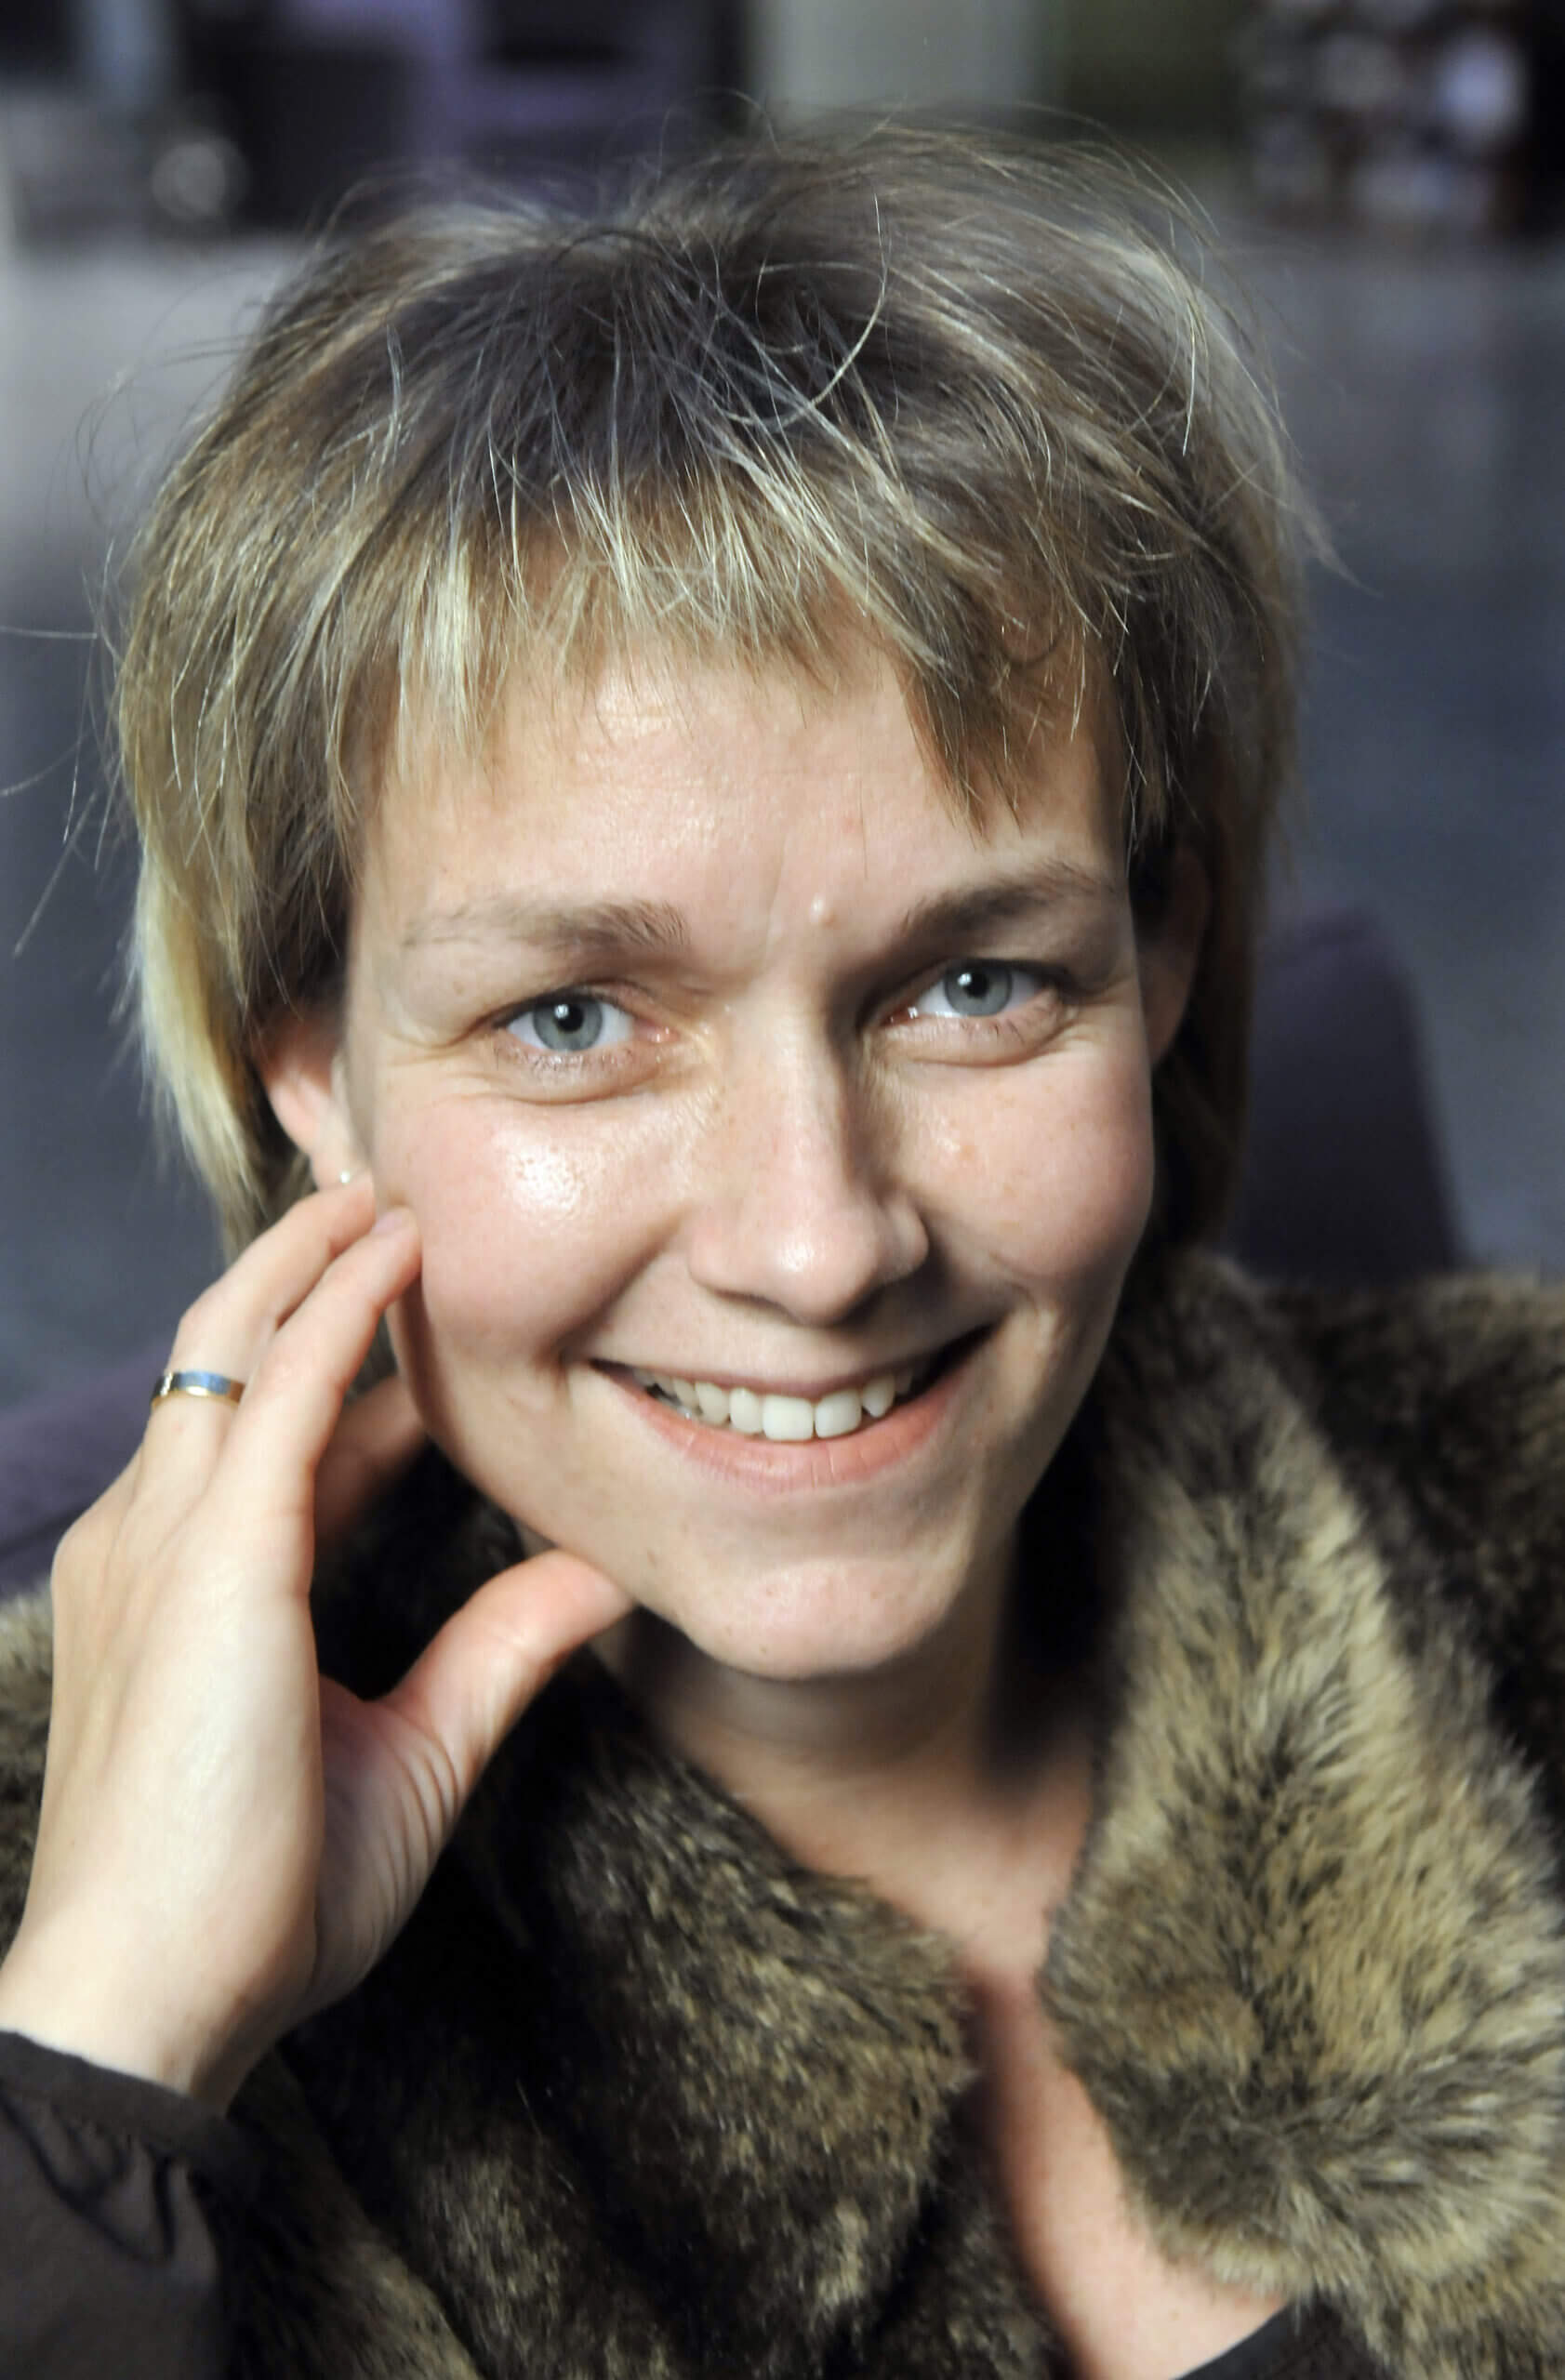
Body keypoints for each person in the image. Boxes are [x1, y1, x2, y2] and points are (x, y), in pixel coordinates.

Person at [0, 124, 1561, 2380]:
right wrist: (99, 2069)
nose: (816, 1240)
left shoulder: (1521, 1523)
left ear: (1159, 953)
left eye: (972, 981)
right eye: (572, 1017)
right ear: (305, 1064)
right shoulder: (61, 1938)